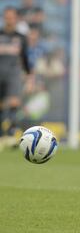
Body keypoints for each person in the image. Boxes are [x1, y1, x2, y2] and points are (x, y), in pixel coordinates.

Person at [0, 7, 33, 144]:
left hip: (13, 73)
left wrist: (29, 76)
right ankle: (2, 134)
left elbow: (25, 58)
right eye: (7, 17)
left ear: (16, 19)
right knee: (1, 105)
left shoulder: (21, 37)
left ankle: (12, 132)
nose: (9, 20)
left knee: (14, 101)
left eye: (11, 17)